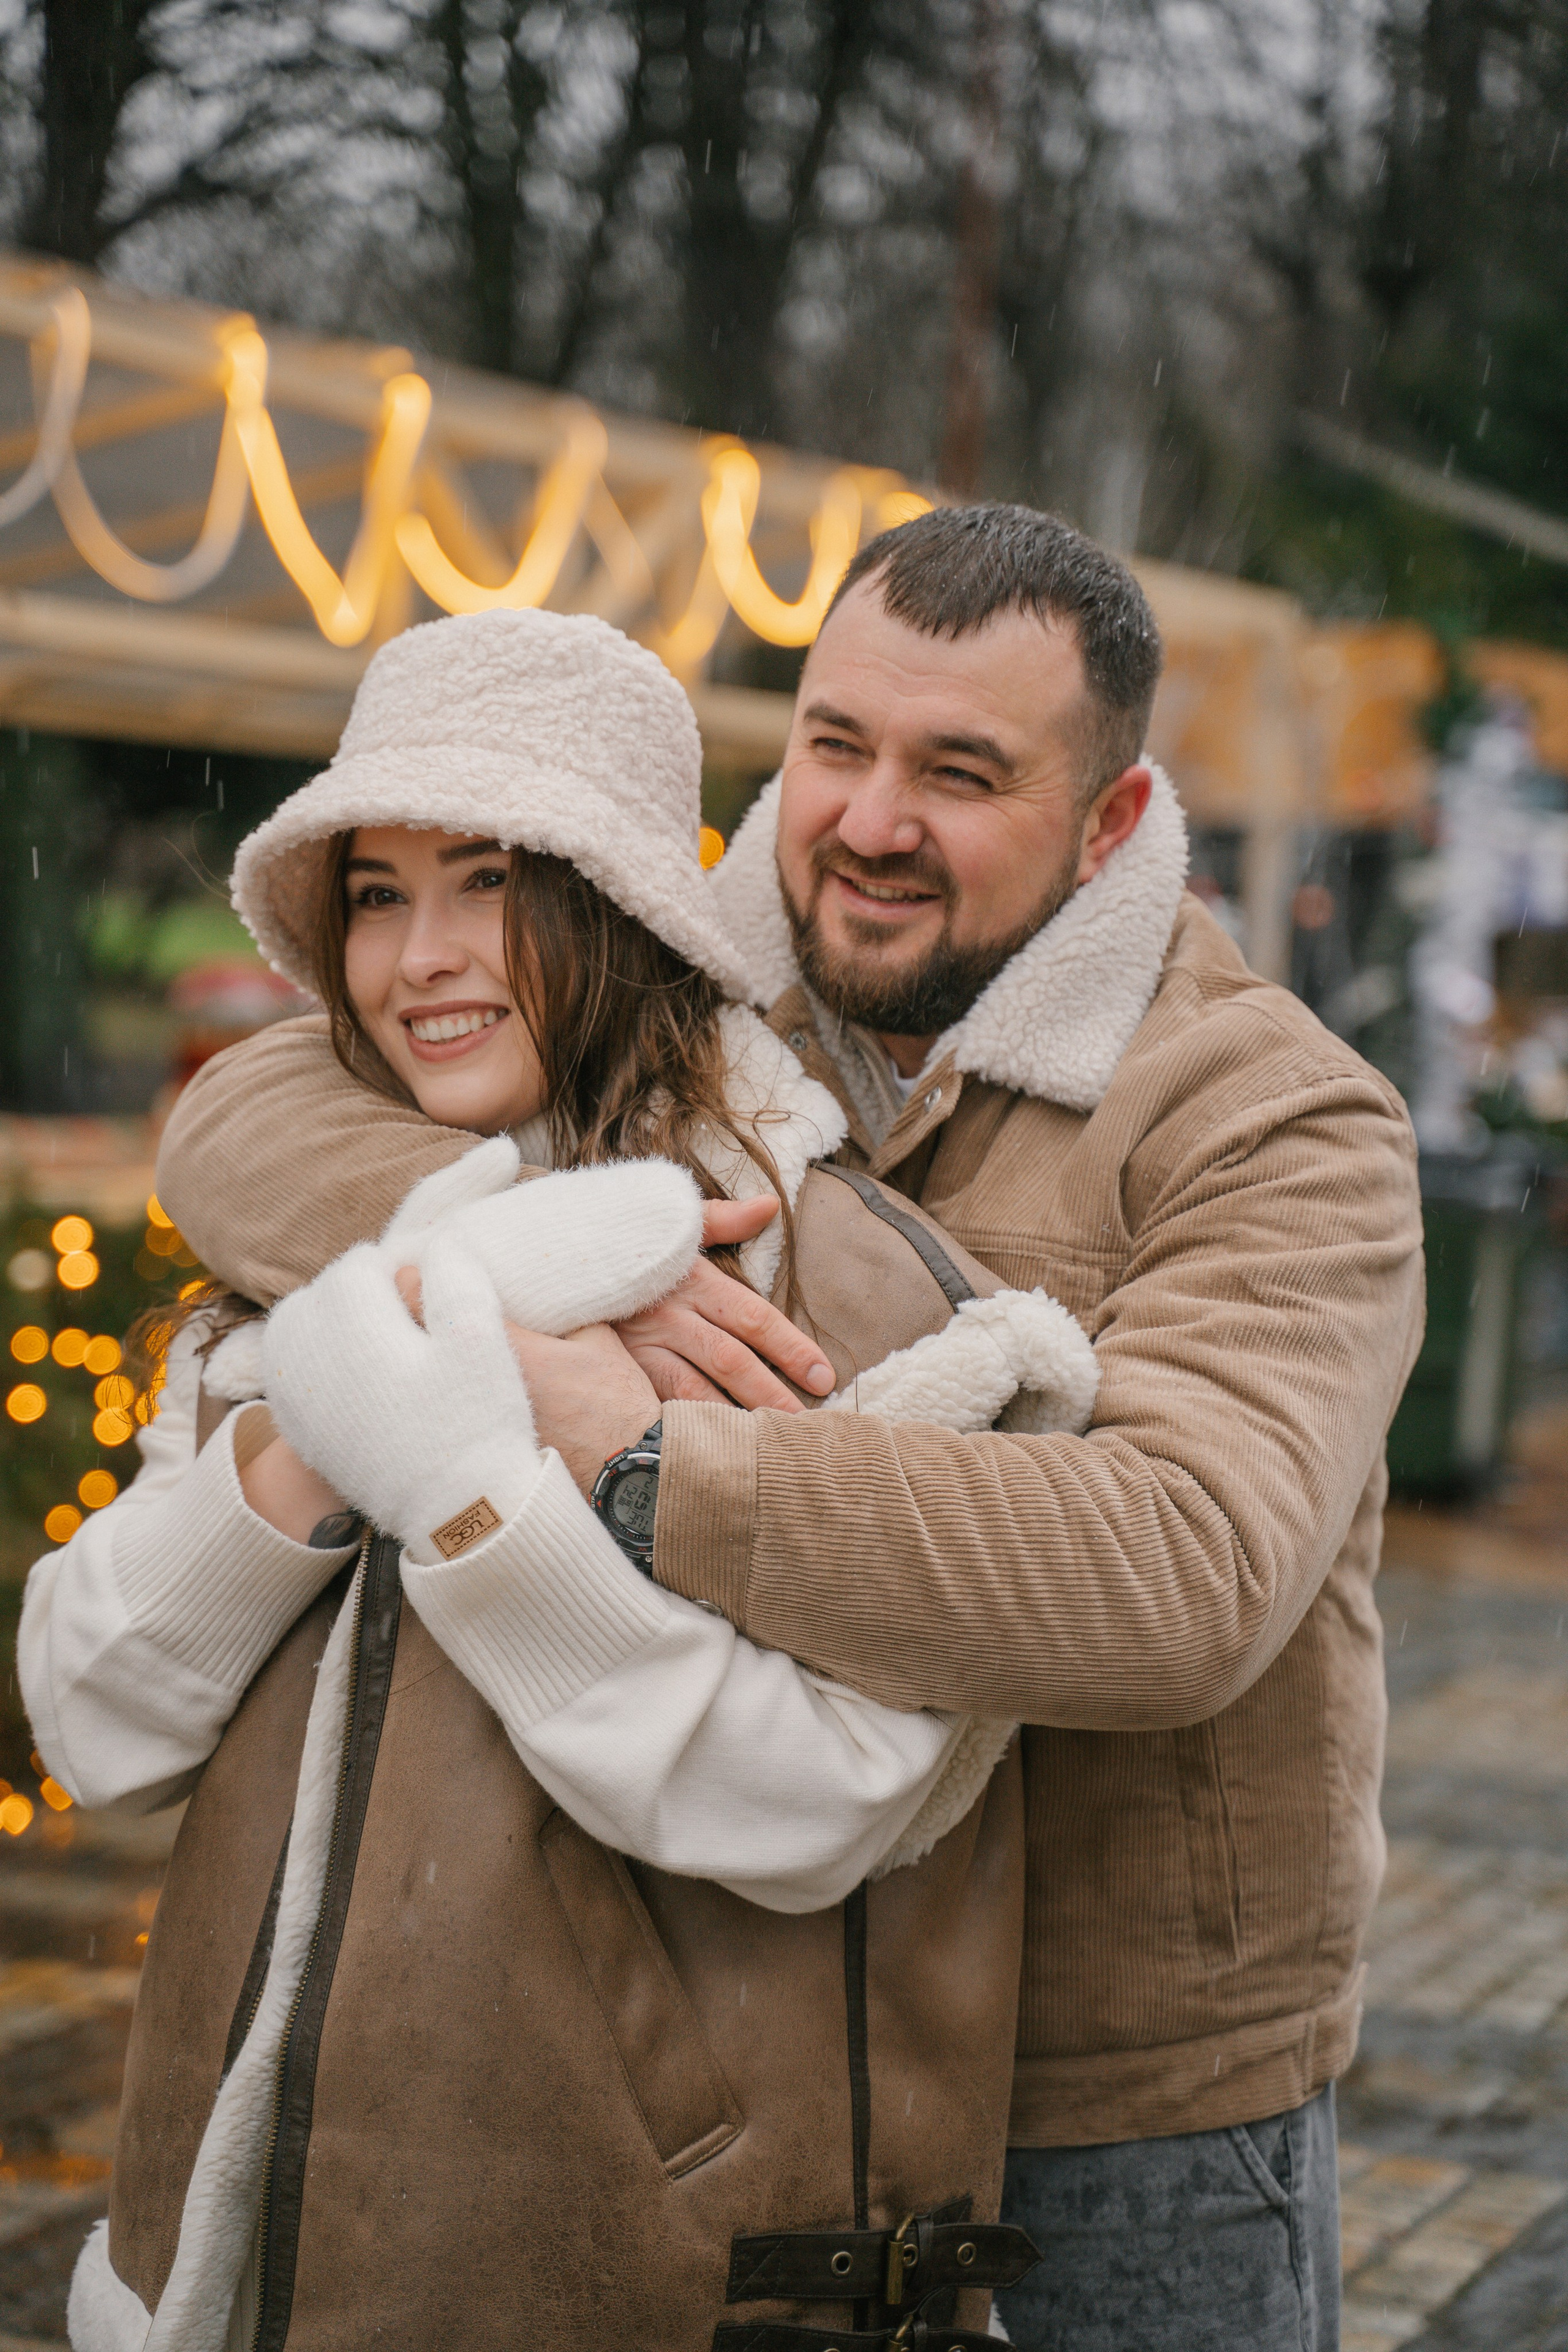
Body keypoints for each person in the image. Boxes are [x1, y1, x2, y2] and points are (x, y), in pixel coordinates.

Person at [162, 505, 1428, 2352]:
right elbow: (249, 1118)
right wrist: (523, 1259)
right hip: (731, 2006)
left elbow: (1182, 1575)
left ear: (1114, 825)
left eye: (964, 772)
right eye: (836, 745)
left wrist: (637, 1445)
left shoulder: (1276, 1117)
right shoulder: (690, 964)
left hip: (1107, 2086)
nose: (871, 820)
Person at [23, 608, 1106, 2350]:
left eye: (489, 882)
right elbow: (93, 1718)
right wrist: (329, 1413)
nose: (420, 960)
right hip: (223, 2287)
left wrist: (474, 1498)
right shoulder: (322, 1252)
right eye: (377, 893)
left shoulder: (845, 1296)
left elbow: (822, 1805)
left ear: (616, 909)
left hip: (602, 2279)